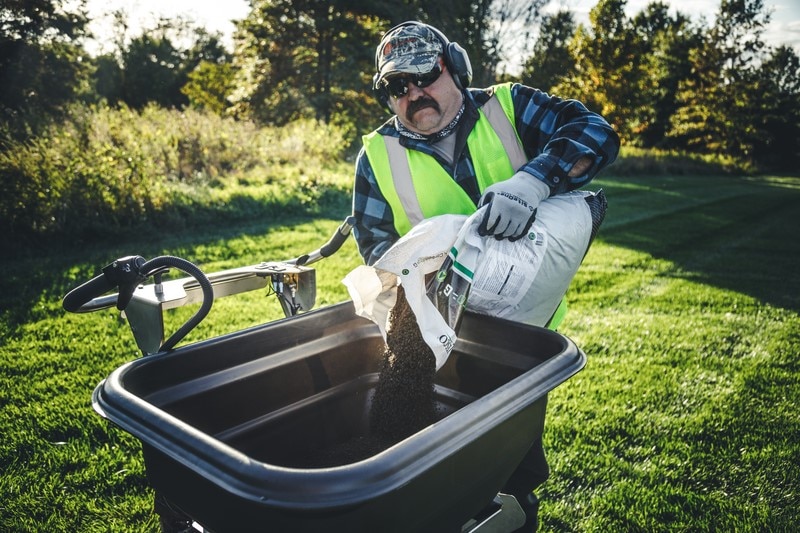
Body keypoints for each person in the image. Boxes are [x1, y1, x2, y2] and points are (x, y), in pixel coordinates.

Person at [351, 21, 620, 531]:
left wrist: (533, 182)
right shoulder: (377, 156)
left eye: (423, 76)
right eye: (396, 86)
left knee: (508, 453)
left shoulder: (508, 108)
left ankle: (514, 512)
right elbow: (376, 246)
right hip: (433, 329)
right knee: (426, 439)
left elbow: (596, 132)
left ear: (453, 64)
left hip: (519, 327)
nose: (413, 94)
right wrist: (433, 268)